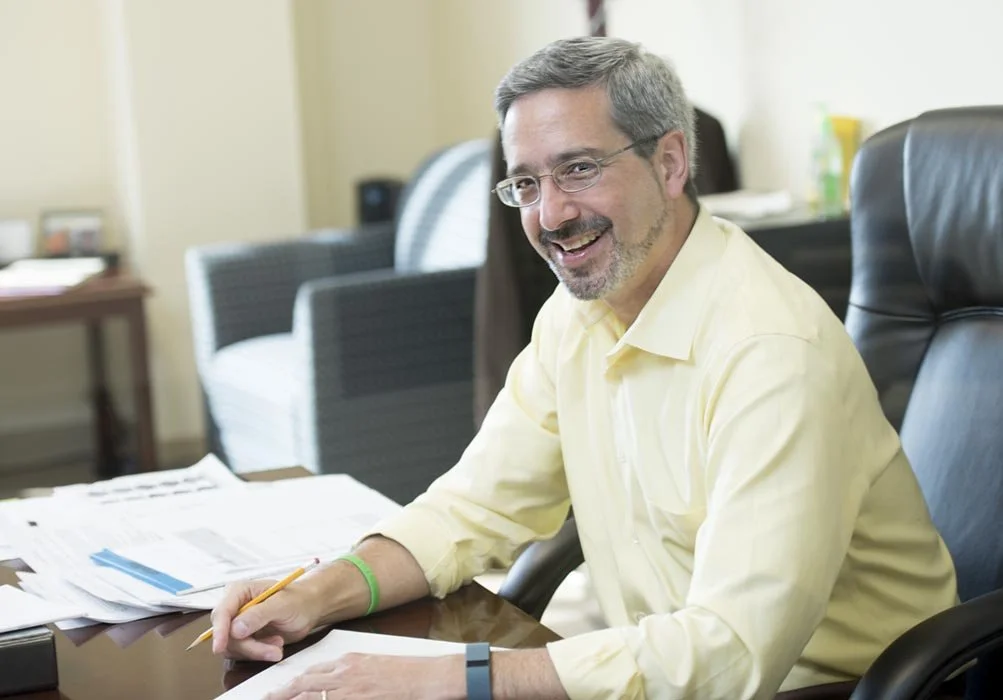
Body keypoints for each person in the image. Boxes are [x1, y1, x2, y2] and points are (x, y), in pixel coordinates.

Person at [210, 37, 958, 699]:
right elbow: (476, 506)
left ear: (670, 162)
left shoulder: (770, 355)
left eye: (578, 169)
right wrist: (319, 593)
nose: (550, 215)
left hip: (829, 687)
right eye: (526, 184)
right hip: (664, 674)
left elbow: (730, 652)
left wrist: (459, 679)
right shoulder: (577, 315)